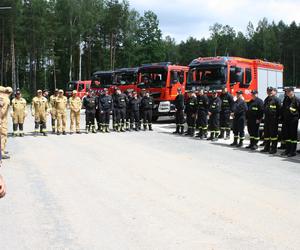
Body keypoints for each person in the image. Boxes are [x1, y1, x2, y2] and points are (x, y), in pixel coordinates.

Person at [261, 87, 282, 154]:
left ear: (273, 91)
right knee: (266, 134)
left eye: (271, 91)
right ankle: (266, 147)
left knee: (273, 135)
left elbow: (280, 110)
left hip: (274, 120)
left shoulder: (277, 100)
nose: (269, 92)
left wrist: (278, 119)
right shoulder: (266, 99)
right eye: (268, 91)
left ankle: (273, 148)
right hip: (267, 119)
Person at [280, 87, 300, 157]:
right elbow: (283, 109)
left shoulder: (297, 100)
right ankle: (287, 150)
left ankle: (293, 151)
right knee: (287, 136)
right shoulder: (286, 99)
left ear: (292, 92)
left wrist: (296, 117)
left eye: (288, 91)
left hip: (293, 120)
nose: (287, 93)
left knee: (293, 136)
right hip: (286, 120)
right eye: (286, 92)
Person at [0, 86, 13, 159]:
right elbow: (2, 112)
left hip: (2, 119)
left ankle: (2, 150)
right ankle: (1, 152)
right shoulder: (5, 99)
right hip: (2, 120)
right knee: (3, 135)